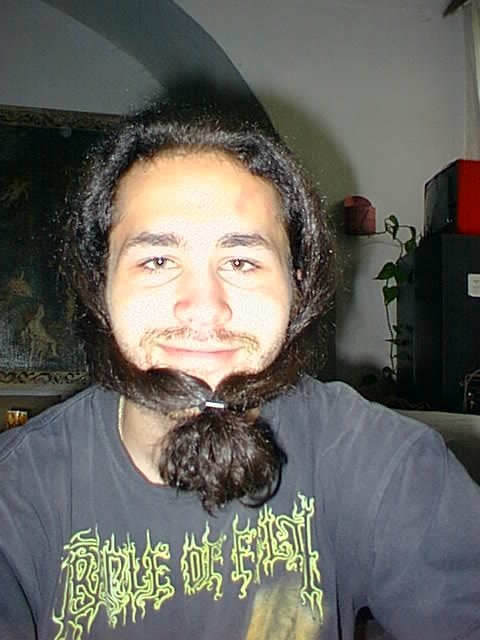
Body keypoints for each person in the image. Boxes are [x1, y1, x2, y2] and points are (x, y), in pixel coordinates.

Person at [0, 95, 479, 640]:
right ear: (100, 284)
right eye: (157, 260)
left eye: (241, 261)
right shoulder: (17, 499)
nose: (205, 308)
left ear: (297, 286)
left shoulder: (384, 465)